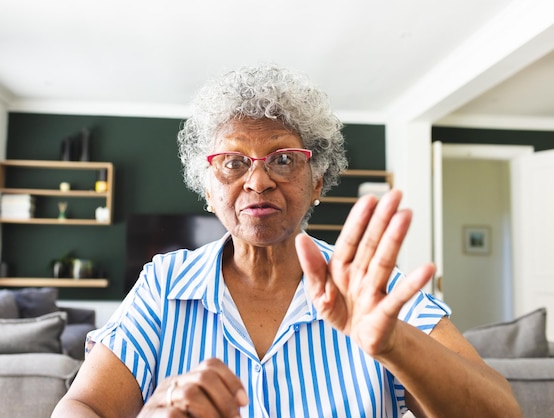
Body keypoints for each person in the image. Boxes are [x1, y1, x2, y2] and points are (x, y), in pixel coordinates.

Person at [53, 65, 521, 417]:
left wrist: (395, 344)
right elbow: (81, 408)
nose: (258, 181)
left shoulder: (371, 289)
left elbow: (502, 412)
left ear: (317, 181)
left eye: (282, 159)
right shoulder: (162, 284)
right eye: (234, 163)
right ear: (209, 190)